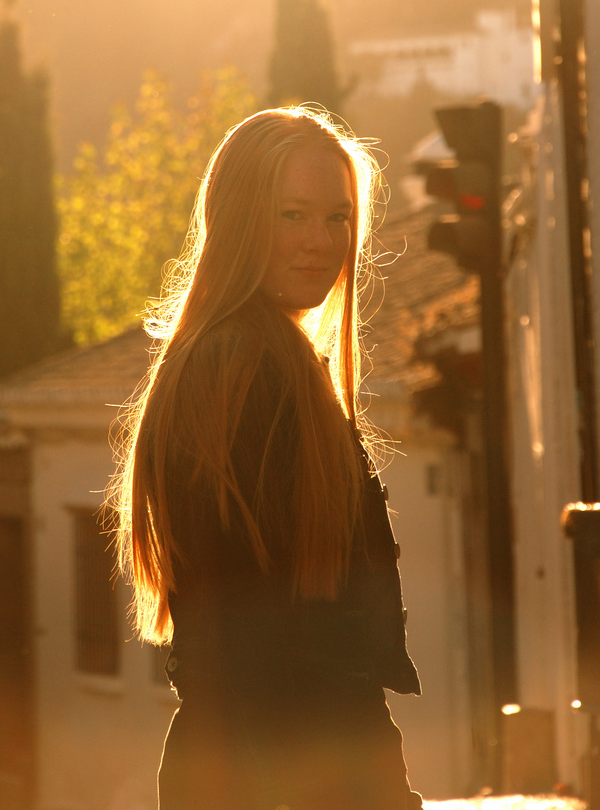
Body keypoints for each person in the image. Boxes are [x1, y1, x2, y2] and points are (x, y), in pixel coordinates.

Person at [111, 107, 422, 810]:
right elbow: (267, 646)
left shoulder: (236, 361)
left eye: (337, 218)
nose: (321, 241)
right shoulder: (246, 372)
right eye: (291, 214)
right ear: (240, 218)